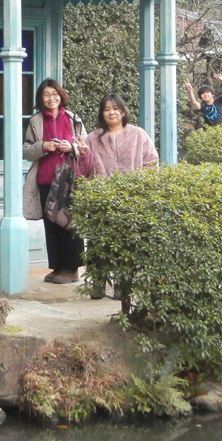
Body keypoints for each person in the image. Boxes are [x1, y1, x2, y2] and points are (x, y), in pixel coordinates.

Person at [84, 93, 158, 299]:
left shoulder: (138, 134)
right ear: (101, 114)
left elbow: (151, 161)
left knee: (126, 244)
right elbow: (84, 168)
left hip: (131, 199)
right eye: (107, 109)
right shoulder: (92, 138)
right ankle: (98, 283)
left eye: (116, 108)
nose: (112, 113)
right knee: (98, 242)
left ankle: (122, 285)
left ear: (123, 111)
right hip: (101, 199)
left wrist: (140, 186)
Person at [22, 79, 90, 285]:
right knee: (51, 224)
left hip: (69, 180)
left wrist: (71, 147)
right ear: (40, 98)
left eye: (54, 94)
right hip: (45, 179)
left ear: (61, 96)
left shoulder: (73, 119)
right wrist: (43, 146)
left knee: (68, 223)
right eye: (46, 95)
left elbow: (86, 147)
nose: (51, 98)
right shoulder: (35, 121)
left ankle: (72, 269)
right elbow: (26, 151)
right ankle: (58, 267)